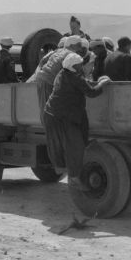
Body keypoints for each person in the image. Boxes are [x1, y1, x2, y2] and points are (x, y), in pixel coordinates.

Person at [43, 53, 112, 191]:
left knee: (65, 144)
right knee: (75, 146)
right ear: (73, 66)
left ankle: (63, 169)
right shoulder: (74, 78)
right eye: (80, 64)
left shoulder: (63, 73)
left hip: (55, 113)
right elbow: (92, 92)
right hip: (61, 116)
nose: (82, 66)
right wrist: (102, 83)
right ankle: (73, 179)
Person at [34, 35, 83, 124]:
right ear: (72, 45)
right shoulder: (71, 55)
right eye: (78, 45)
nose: (80, 48)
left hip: (42, 79)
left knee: (46, 109)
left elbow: (42, 62)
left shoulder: (58, 51)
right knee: (51, 112)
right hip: (48, 81)